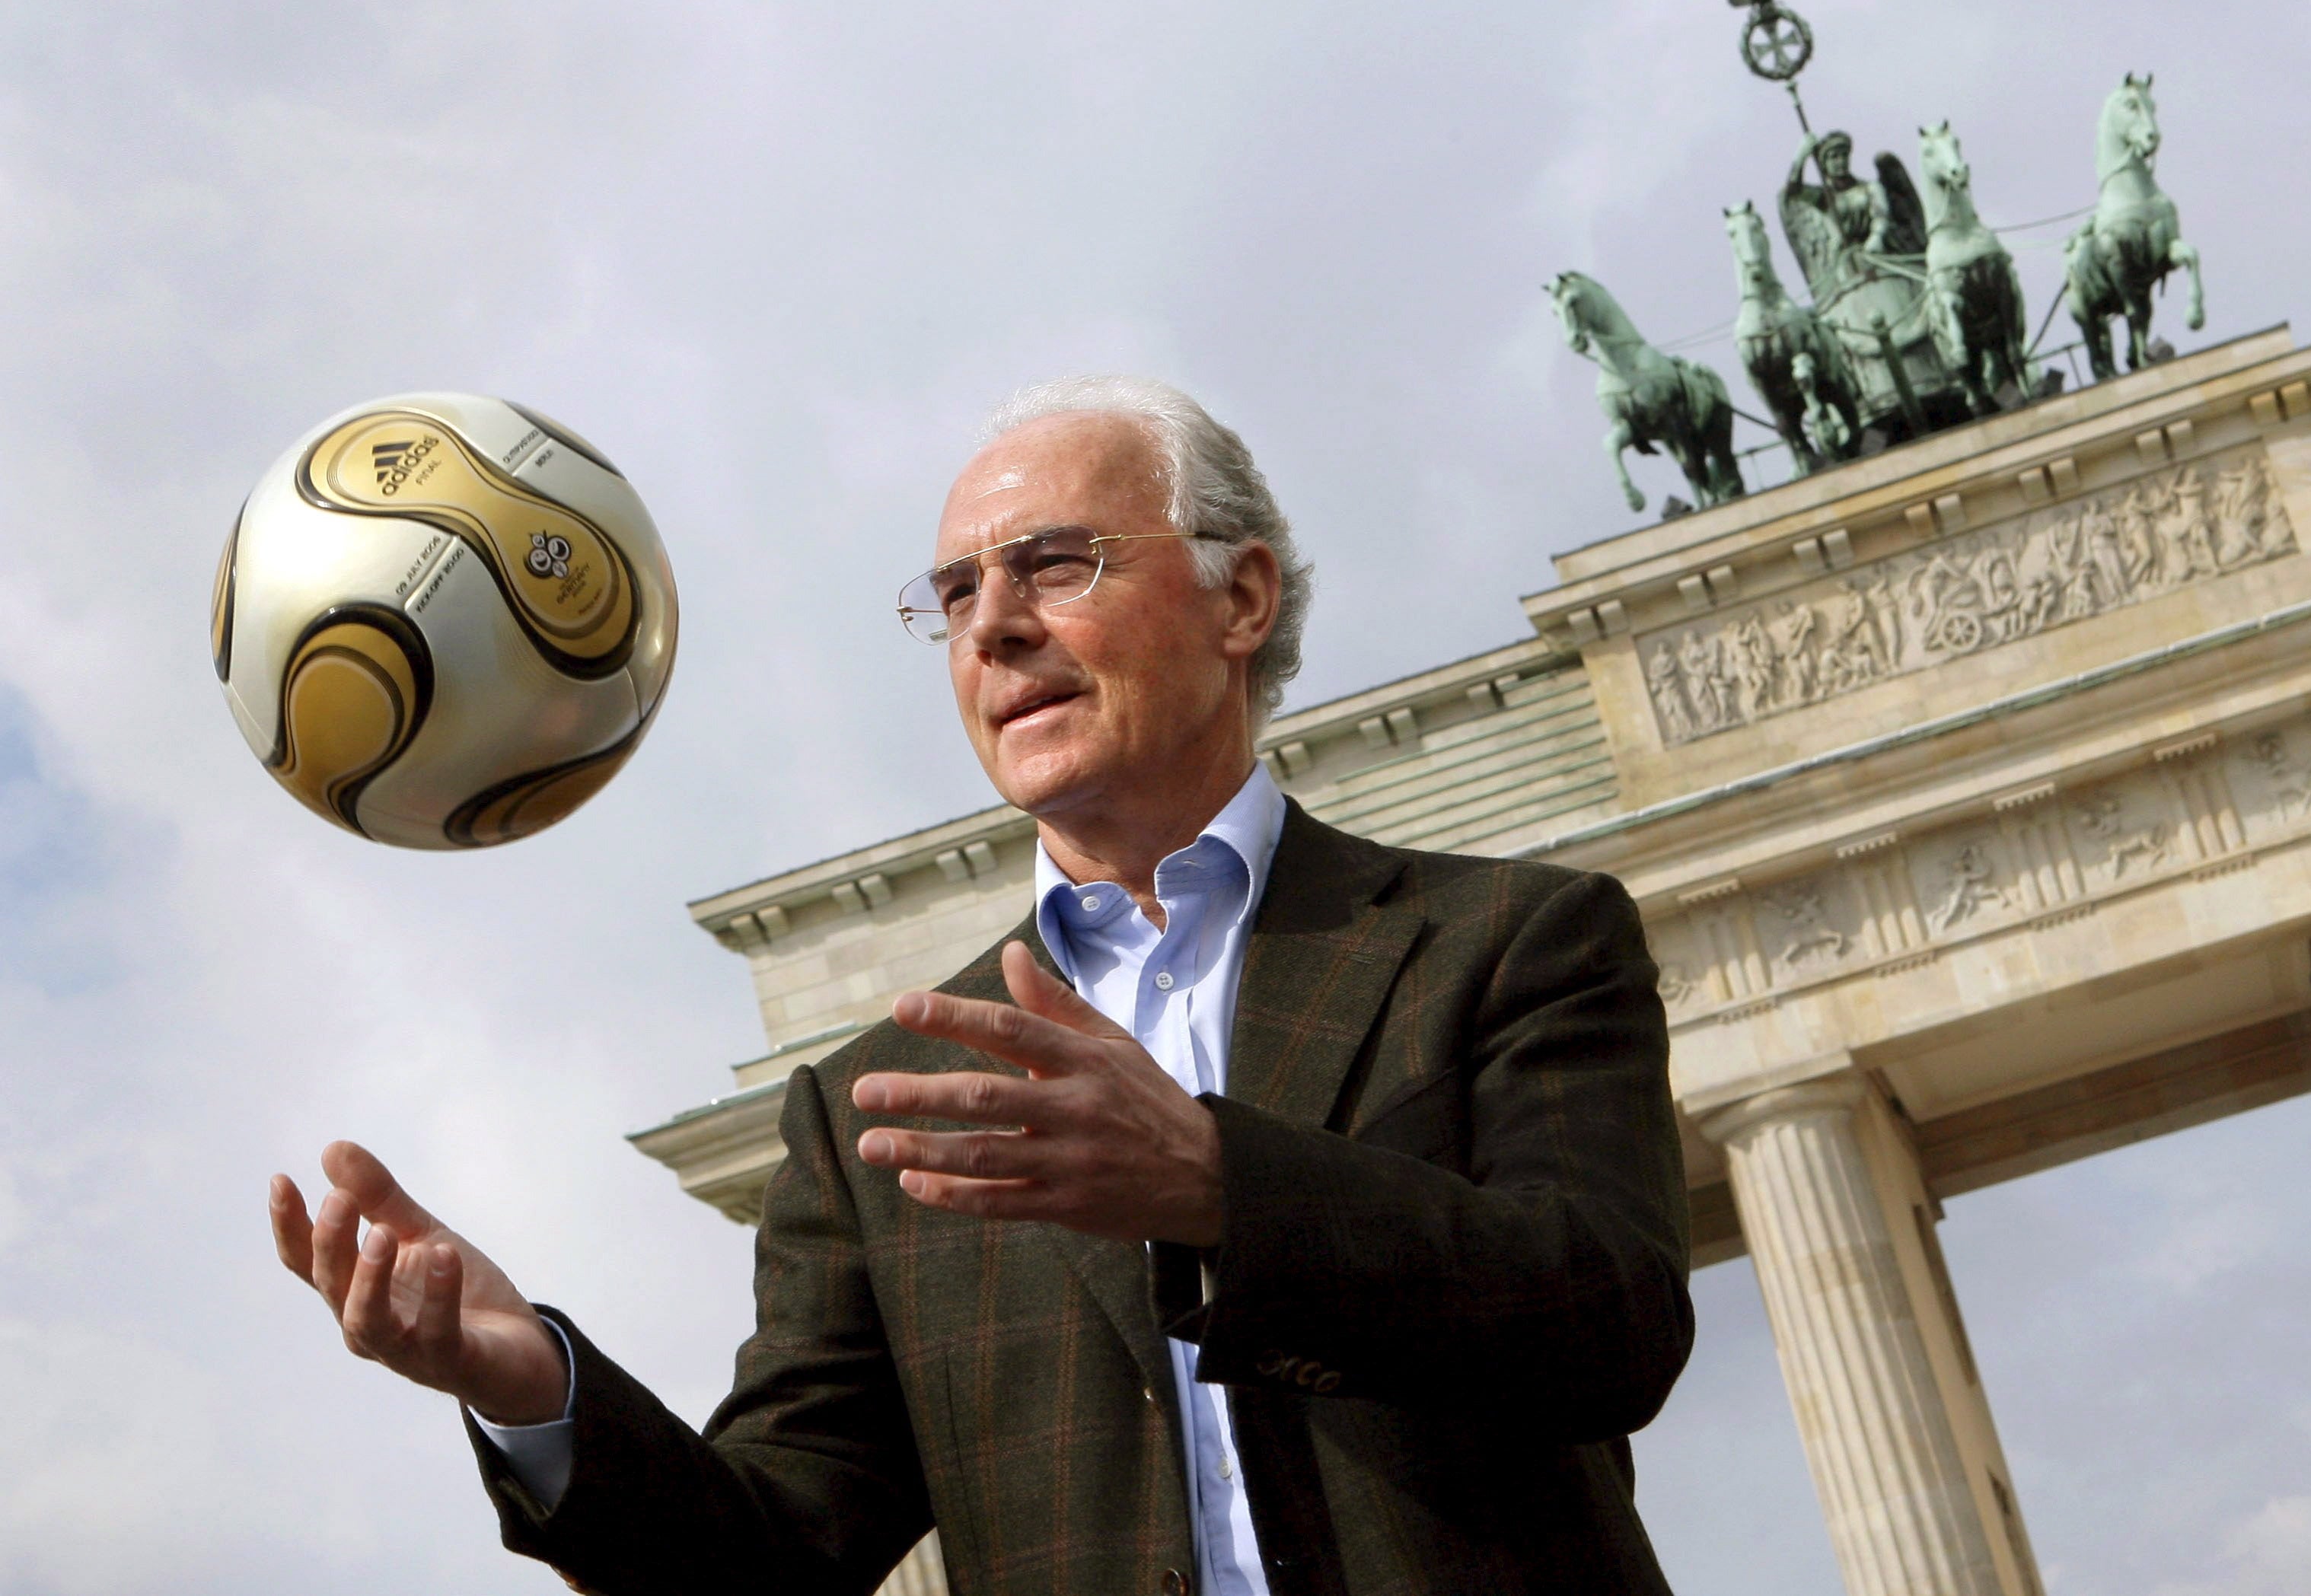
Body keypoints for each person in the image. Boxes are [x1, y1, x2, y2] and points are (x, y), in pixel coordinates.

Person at [269, 376, 1694, 1596]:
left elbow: (1610, 1325)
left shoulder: (1510, 942)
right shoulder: (871, 1109)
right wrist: (535, 1391)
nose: (991, 628)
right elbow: (776, 1559)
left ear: (1240, 596)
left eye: (1056, 563)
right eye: (955, 594)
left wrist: (1215, 1186)